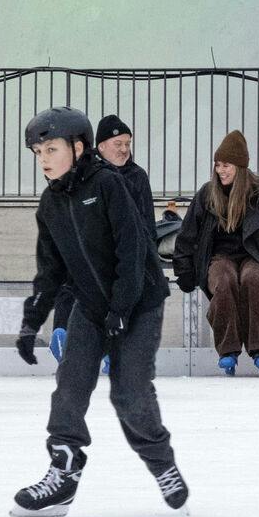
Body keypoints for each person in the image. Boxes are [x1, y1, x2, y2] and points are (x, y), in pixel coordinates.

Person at [10, 108, 187, 517]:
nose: (44, 159)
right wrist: (31, 321)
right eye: (38, 152)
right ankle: (63, 473)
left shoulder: (107, 185)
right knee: (70, 383)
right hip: (91, 306)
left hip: (139, 301)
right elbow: (50, 270)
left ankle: (162, 465)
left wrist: (122, 307)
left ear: (78, 147)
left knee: (129, 393)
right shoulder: (51, 203)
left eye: (51, 149)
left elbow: (133, 249)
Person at [172, 130, 259, 377]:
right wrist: (184, 270)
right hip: (219, 257)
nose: (221, 171)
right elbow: (187, 236)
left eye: (227, 165)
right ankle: (228, 350)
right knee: (224, 280)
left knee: (253, 280)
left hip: (257, 256)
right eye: (218, 165)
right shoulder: (207, 194)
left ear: (240, 167)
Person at [52, 115, 153, 366]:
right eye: (118, 143)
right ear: (102, 146)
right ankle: (63, 334)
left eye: (127, 144)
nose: (124, 149)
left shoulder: (137, 177)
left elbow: (146, 222)